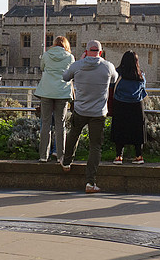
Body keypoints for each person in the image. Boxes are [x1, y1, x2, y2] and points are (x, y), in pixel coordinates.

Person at [61, 40, 118, 193]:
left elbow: (65, 77)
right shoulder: (108, 66)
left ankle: (66, 163)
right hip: (98, 112)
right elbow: (114, 79)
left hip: (80, 109)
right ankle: (90, 183)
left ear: (86, 51)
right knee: (95, 146)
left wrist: (80, 62)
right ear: (101, 52)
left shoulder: (78, 65)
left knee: (73, 134)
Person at [34, 36, 74, 163]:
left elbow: (42, 68)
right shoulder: (70, 57)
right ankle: (60, 156)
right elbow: (71, 73)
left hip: (46, 91)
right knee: (60, 125)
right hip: (62, 92)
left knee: (45, 124)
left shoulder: (46, 55)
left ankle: (43, 156)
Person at [110, 50, 148, 164]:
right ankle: (139, 156)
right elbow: (143, 89)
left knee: (119, 129)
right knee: (137, 130)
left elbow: (112, 86)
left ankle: (118, 156)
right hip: (136, 105)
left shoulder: (118, 74)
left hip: (120, 104)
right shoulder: (140, 75)